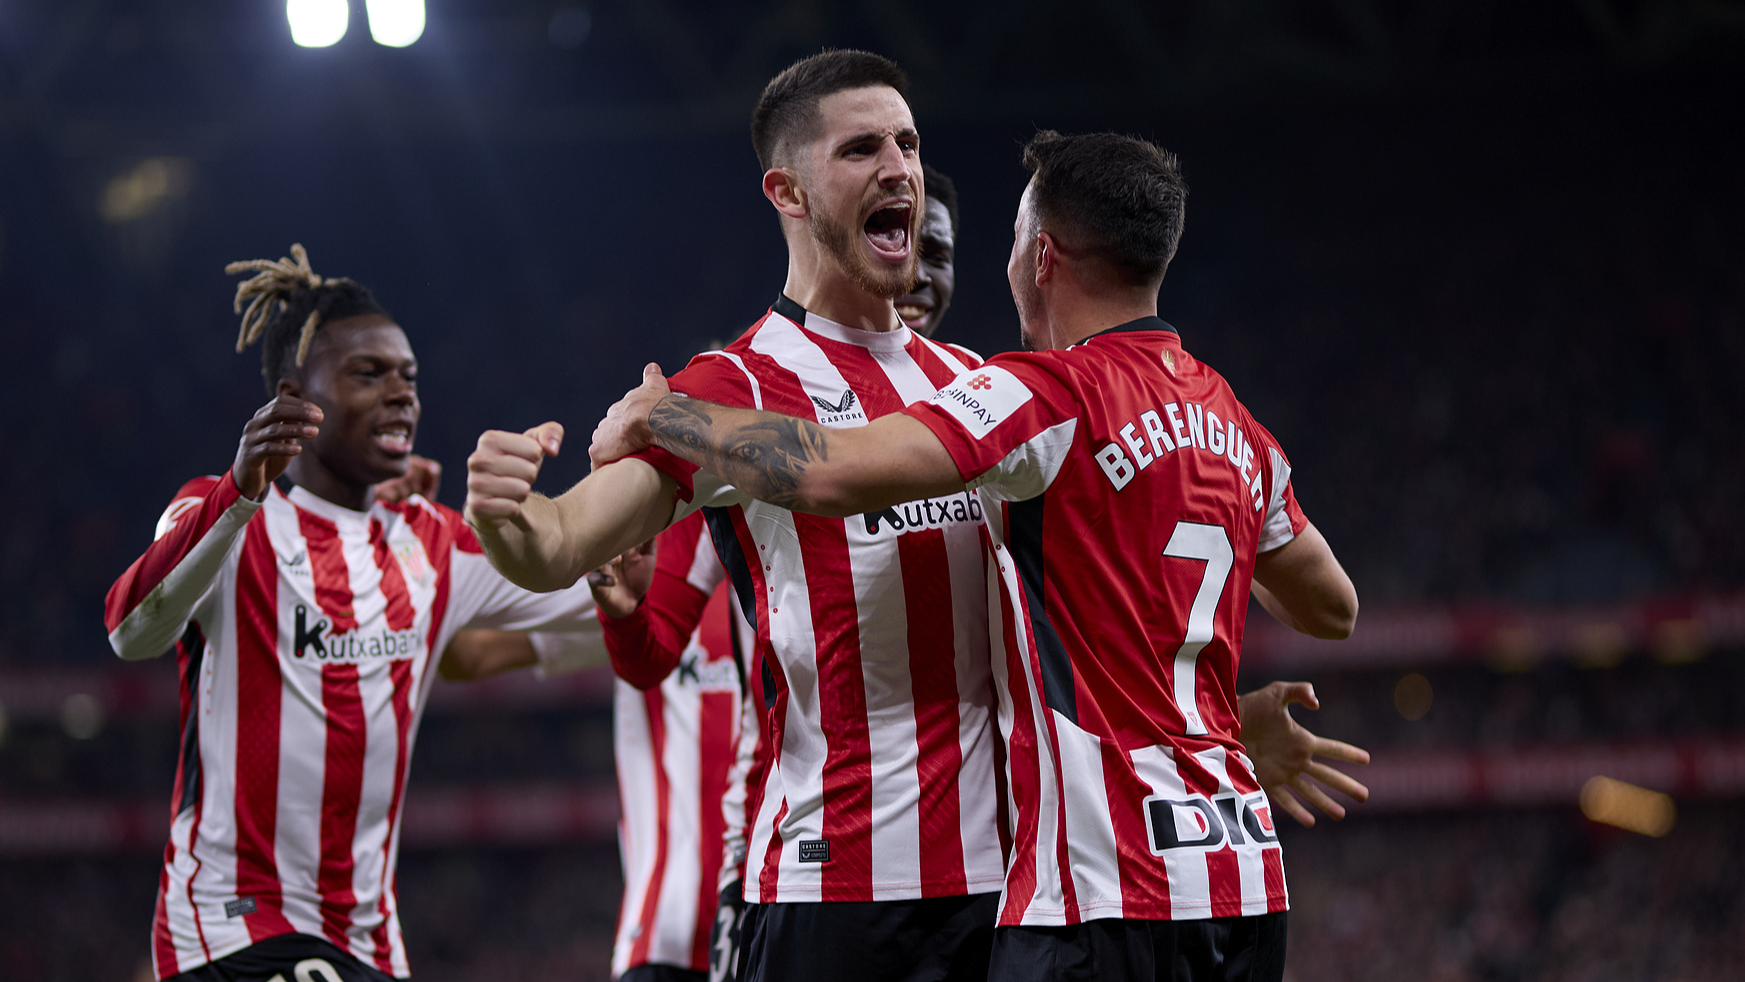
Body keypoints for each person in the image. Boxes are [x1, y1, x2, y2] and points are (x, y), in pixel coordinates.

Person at [588, 131, 1362, 980]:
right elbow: (1331, 607)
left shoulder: (1040, 391)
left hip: (1100, 893)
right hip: (1242, 876)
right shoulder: (1237, 425)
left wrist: (667, 417)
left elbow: (833, 470)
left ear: (1039, 257)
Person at [464, 50, 1011, 982]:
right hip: (826, 894)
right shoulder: (732, 387)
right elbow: (559, 544)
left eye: (910, 144)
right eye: (863, 148)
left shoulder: (980, 390)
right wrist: (503, 515)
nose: (899, 168)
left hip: (1005, 889)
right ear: (787, 191)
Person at [104, 245, 604, 982]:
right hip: (235, 921)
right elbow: (130, 630)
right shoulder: (224, 513)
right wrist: (239, 488)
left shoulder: (432, 542)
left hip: (369, 940)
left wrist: (573, 512)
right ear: (294, 397)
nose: (401, 393)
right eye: (368, 374)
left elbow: (607, 592)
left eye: (408, 376)